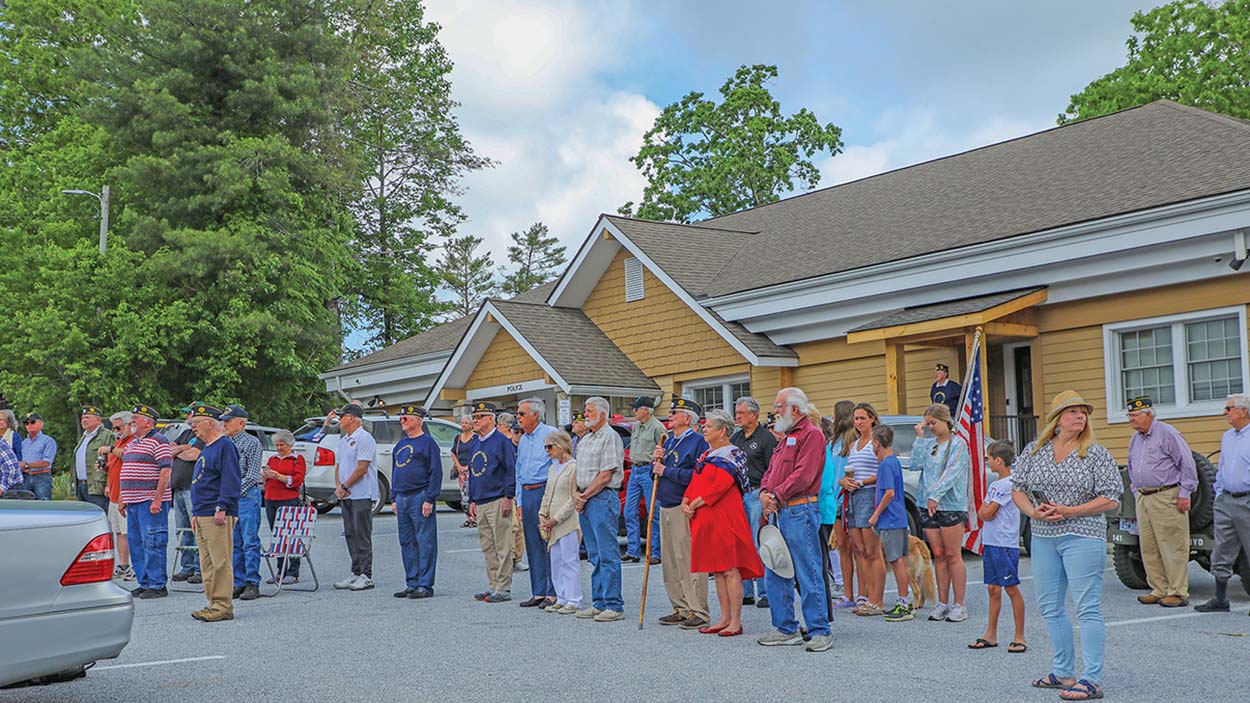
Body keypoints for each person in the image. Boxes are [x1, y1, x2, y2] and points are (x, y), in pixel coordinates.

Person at [1011, 390, 1121, 702]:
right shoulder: (1036, 450)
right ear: (1057, 419)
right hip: (1044, 535)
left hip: (1083, 535)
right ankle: (1063, 671)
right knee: (1049, 606)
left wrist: (1071, 511)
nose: (1080, 416)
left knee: (1086, 607)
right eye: (1072, 411)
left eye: (1083, 412)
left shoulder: (1096, 454)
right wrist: (1032, 511)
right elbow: (1017, 488)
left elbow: (1111, 497)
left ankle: (1091, 679)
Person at [758, 387, 833, 653]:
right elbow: (771, 470)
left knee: (808, 569)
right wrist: (765, 492)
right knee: (776, 568)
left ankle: (820, 630)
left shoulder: (811, 436)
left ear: (795, 409)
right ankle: (785, 627)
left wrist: (775, 494)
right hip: (781, 510)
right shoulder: (786, 438)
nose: (775, 411)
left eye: (779, 406)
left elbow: (803, 475)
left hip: (800, 510)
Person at [684, 409, 765, 637]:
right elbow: (695, 481)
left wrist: (696, 503)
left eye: (708, 426)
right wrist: (686, 500)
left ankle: (736, 621)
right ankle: (724, 617)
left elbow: (720, 486)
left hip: (724, 517)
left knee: (730, 568)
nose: (704, 429)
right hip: (706, 517)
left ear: (722, 430)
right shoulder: (707, 455)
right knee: (718, 570)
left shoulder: (732, 454)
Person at [1125, 396, 1197, 607]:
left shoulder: (1168, 433)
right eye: (1129, 415)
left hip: (1167, 495)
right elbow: (1131, 466)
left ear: (1149, 414)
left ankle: (1178, 591)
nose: (1131, 419)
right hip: (1144, 497)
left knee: (1173, 545)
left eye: (1135, 415)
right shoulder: (1136, 438)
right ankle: (1159, 588)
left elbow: (1187, 464)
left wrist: (1185, 493)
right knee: (1148, 546)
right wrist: (1135, 490)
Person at [654, 397, 711, 629]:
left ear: (688, 418)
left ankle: (698, 609)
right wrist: (656, 463)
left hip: (683, 505)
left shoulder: (698, 442)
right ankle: (680, 606)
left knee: (687, 558)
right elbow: (656, 474)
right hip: (664, 505)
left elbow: (697, 475)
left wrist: (666, 469)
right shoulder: (667, 442)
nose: (670, 415)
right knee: (669, 561)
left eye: (675, 412)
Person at [911, 403, 971, 622]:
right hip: (926, 503)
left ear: (946, 421)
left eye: (934, 423)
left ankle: (959, 604)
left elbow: (953, 471)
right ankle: (942, 602)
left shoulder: (958, 444)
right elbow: (915, 465)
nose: (931, 427)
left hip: (950, 504)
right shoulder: (929, 445)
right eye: (928, 423)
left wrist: (936, 494)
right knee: (938, 553)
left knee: (953, 553)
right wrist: (919, 437)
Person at [970, 440, 1027, 652]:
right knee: (993, 588)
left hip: (1004, 543)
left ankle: (1020, 636)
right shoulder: (995, 484)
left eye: (989, 458)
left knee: (1011, 587)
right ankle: (990, 634)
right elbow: (983, 511)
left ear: (999, 460)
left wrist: (985, 512)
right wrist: (984, 512)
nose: (988, 462)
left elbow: (988, 512)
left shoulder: (1009, 484)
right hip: (991, 541)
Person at [1195, 393, 1250, 614]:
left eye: (1229, 409)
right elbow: (1223, 465)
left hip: (1247, 500)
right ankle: (1220, 598)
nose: (1224, 413)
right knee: (1222, 549)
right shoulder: (1227, 436)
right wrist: (1219, 493)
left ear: (1243, 411)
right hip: (1226, 500)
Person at [573, 396, 625, 622]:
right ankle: (599, 602)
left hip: (601, 497)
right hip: (585, 497)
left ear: (603, 414)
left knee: (607, 553)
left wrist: (584, 496)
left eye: (590, 411)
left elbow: (606, 474)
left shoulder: (609, 437)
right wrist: (576, 493)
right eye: (586, 411)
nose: (585, 414)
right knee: (594, 554)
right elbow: (577, 469)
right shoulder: (585, 439)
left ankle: (614, 604)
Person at [188, 404, 241, 623]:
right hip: (202, 512)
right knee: (207, 562)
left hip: (216, 512)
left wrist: (222, 507)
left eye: (196, 423)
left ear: (209, 423)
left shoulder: (224, 446)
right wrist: (195, 513)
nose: (193, 428)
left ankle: (223, 605)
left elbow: (230, 479)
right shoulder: (208, 447)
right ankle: (213, 603)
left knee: (220, 561)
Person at [120, 404, 173, 599]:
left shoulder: (159, 441)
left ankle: (158, 584)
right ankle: (144, 582)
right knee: (136, 543)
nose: (132, 421)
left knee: (153, 541)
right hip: (133, 501)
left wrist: (157, 499)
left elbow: (166, 470)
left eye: (136, 418)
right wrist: (122, 499)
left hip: (149, 500)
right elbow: (124, 471)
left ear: (148, 422)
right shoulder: (132, 443)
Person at [466, 402, 517, 602]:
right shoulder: (476, 442)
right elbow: (473, 472)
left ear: (490, 419)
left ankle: (503, 587)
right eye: (474, 417)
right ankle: (493, 583)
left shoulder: (501, 441)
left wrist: (508, 496)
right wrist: (471, 499)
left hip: (497, 498)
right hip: (480, 500)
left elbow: (510, 470)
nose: (475, 421)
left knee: (502, 544)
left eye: (479, 417)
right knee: (488, 546)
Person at [731, 396, 777, 608]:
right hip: (739, 493)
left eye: (742, 413)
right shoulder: (736, 438)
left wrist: (767, 496)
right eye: (737, 413)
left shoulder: (767, 438)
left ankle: (766, 591)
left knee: (759, 541)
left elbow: (773, 469)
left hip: (758, 493)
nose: (738, 416)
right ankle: (746, 590)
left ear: (754, 415)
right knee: (741, 542)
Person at [390, 405, 440, 599]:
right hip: (402, 497)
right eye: (401, 419)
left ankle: (425, 584)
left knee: (425, 541)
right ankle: (411, 582)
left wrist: (430, 498)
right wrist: (393, 498)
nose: (402, 422)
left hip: (420, 495)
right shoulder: (400, 444)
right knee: (406, 541)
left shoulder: (428, 443)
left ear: (418, 420)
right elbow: (395, 472)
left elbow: (435, 472)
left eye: (406, 419)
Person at [840, 402, 884, 616]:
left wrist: (864, 482)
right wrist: (845, 482)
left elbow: (884, 470)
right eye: (856, 419)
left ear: (872, 419)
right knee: (860, 550)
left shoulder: (877, 442)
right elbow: (851, 471)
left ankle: (878, 599)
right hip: (853, 495)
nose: (858, 422)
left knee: (873, 550)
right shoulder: (854, 443)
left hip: (869, 493)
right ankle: (865, 596)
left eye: (862, 418)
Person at [868, 425, 913, 622]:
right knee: (898, 559)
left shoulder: (886, 464)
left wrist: (875, 515)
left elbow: (889, 493)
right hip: (898, 517)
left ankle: (904, 603)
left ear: (877, 443)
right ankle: (905, 600)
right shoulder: (893, 461)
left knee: (896, 560)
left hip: (891, 519)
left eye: (872, 442)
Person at [515, 398, 557, 608]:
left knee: (547, 542)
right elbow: (519, 471)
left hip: (544, 490)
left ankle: (553, 592)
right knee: (532, 543)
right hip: (527, 492)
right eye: (518, 414)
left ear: (535, 415)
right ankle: (538, 591)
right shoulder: (523, 439)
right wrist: (520, 502)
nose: (518, 418)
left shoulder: (550, 434)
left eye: (522, 414)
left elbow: (557, 466)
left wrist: (551, 500)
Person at [333, 403, 379, 591]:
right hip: (346, 494)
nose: (340, 420)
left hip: (361, 493)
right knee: (350, 533)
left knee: (362, 533)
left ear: (352, 418)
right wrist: (338, 486)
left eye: (342, 416)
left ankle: (366, 574)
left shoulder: (364, 438)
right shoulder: (344, 440)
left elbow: (362, 467)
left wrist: (346, 485)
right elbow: (339, 465)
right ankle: (355, 570)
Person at [221, 404, 263, 601]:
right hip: (231, 499)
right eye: (223, 421)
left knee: (249, 541)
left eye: (228, 421)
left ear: (241, 423)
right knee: (235, 542)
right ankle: (238, 582)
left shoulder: (252, 442)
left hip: (247, 497)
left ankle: (252, 582)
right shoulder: (224, 442)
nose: (224, 424)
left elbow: (253, 475)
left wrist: (233, 492)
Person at [538, 430, 582, 614]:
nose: (547, 450)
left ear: (561, 446)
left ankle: (574, 599)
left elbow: (573, 498)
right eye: (545, 447)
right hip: (551, 521)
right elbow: (548, 492)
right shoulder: (552, 468)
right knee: (556, 560)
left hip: (567, 520)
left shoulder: (574, 467)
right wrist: (542, 513)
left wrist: (557, 518)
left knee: (569, 560)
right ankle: (561, 596)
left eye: (550, 446)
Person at [822, 400, 855, 612]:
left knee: (859, 550)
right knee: (842, 548)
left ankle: (865, 593)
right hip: (834, 501)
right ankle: (847, 592)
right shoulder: (831, 444)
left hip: (849, 499)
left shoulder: (854, 441)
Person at [625, 395, 665, 565]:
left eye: (637, 408)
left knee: (652, 512)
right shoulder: (636, 426)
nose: (634, 411)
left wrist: (657, 469)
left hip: (649, 468)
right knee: (629, 511)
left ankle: (655, 552)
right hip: (635, 469)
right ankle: (633, 551)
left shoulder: (657, 427)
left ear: (646, 410)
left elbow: (664, 450)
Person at [263, 428, 307, 586]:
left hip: (288, 500)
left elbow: (298, 480)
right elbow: (266, 480)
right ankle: (280, 570)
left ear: (289, 444)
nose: (280, 448)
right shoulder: (273, 459)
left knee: (292, 536)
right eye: (277, 445)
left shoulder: (297, 459)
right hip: (270, 499)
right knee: (277, 536)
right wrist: (266, 476)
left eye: (282, 445)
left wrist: (279, 477)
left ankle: (293, 572)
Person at [169, 404, 205, 583]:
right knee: (182, 530)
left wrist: (180, 451)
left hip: (193, 488)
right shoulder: (185, 433)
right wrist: (182, 448)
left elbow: (194, 455)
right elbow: (169, 450)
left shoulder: (203, 436)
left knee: (196, 528)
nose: (187, 418)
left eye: (190, 415)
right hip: (178, 487)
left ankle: (200, 568)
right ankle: (187, 567)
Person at [101, 411, 136, 581]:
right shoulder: (118, 442)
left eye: (119, 427)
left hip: (126, 495)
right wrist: (105, 469)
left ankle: (136, 567)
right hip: (114, 494)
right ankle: (124, 565)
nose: (116, 430)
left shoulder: (133, 442)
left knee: (129, 531)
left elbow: (128, 457)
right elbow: (115, 467)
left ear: (130, 425)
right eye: (113, 427)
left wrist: (112, 449)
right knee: (119, 532)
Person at [74, 406, 112, 511]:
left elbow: (113, 462)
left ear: (98, 419)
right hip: (82, 485)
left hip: (97, 487)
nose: (84, 420)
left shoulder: (107, 435)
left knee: (99, 517)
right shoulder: (84, 436)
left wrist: (109, 485)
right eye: (83, 418)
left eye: (87, 417)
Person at [19, 412, 56, 500]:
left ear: (40, 423)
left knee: (43, 507)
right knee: (25, 507)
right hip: (25, 478)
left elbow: (46, 462)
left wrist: (26, 465)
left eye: (32, 422)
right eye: (27, 423)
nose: (29, 425)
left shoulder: (48, 441)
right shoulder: (24, 443)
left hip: (42, 477)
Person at [452, 414, 476, 528]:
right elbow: (453, 452)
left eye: (466, 423)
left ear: (471, 425)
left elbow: (477, 454)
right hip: (461, 471)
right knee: (464, 494)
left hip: (472, 470)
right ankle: (467, 518)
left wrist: (468, 466)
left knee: (472, 493)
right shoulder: (457, 438)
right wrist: (458, 466)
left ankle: (474, 517)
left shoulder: (475, 438)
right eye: (462, 423)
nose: (463, 425)